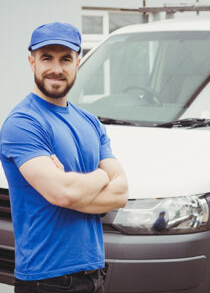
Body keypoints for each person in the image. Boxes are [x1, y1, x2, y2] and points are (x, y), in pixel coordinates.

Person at [0, 22, 128, 293]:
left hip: (94, 275)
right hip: (46, 280)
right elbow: (63, 194)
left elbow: (121, 194)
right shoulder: (23, 123)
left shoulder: (90, 122)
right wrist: (102, 175)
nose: (56, 69)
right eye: (47, 58)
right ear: (31, 61)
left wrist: (73, 188)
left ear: (77, 63)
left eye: (65, 59)